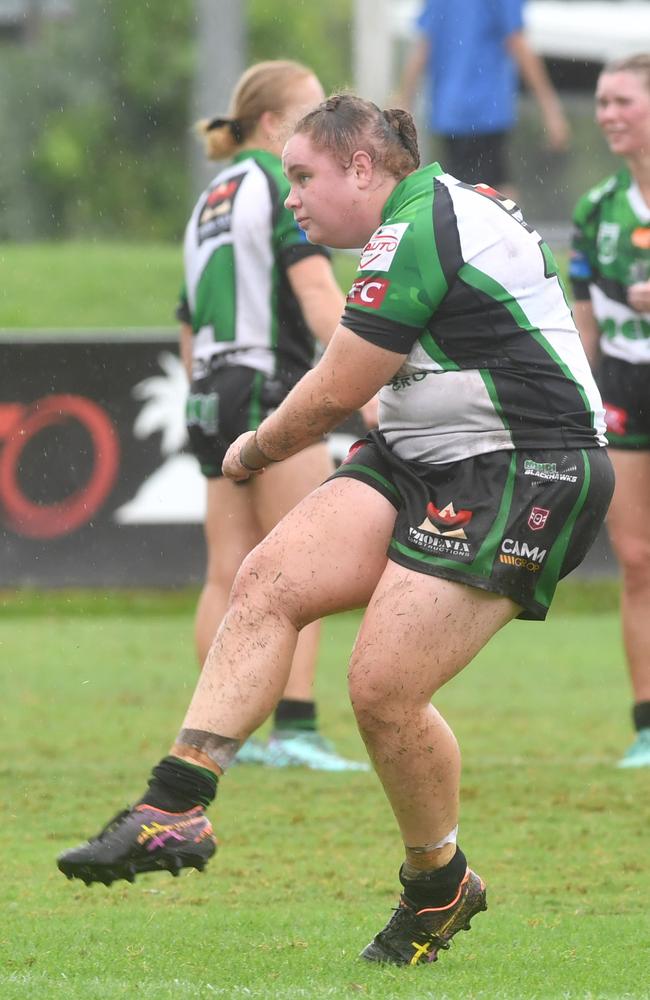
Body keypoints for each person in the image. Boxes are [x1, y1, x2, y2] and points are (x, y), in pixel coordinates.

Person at [58, 95, 613, 967]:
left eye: (304, 176)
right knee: (268, 580)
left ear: (364, 167)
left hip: (524, 465)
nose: (292, 199)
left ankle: (438, 887)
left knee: (381, 687)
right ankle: (173, 806)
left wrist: (253, 446)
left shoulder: (418, 222)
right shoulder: (421, 216)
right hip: (421, 451)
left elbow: (333, 385)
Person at [177, 60, 368, 772]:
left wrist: (202, 389)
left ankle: (221, 737)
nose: (325, 126)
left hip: (209, 387)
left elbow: (188, 319)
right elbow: (317, 293)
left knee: (226, 568)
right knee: (302, 566)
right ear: (271, 124)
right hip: (271, 382)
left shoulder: (210, 198)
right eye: (312, 112)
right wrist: (373, 372)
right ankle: (294, 729)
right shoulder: (283, 186)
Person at [569, 53, 650, 769]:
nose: (608, 115)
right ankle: (648, 725)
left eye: (623, 100)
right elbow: (584, 325)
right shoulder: (597, 209)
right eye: (600, 102)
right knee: (635, 559)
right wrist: (577, 396)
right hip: (626, 385)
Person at [396, 0, 570, 194]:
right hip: (486, 110)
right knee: (497, 194)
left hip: (448, 112)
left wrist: (403, 102)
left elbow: (423, 46)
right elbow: (517, 42)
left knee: (458, 195)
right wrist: (550, 108)